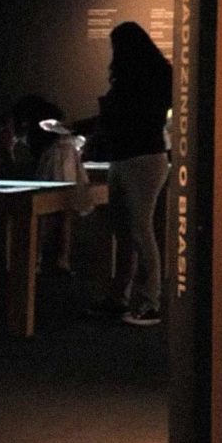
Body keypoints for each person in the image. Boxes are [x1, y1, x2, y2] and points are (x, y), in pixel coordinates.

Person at [88, 21, 172, 326]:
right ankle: (122, 297)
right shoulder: (158, 75)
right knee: (128, 231)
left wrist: (82, 126)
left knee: (138, 230)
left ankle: (150, 302)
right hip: (132, 157)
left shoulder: (143, 79)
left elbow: (124, 115)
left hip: (140, 158)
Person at [12, 94, 93, 275]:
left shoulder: (52, 145)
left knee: (45, 216)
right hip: (68, 173)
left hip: (54, 172)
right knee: (64, 216)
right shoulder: (66, 141)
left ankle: (39, 259)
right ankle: (60, 260)